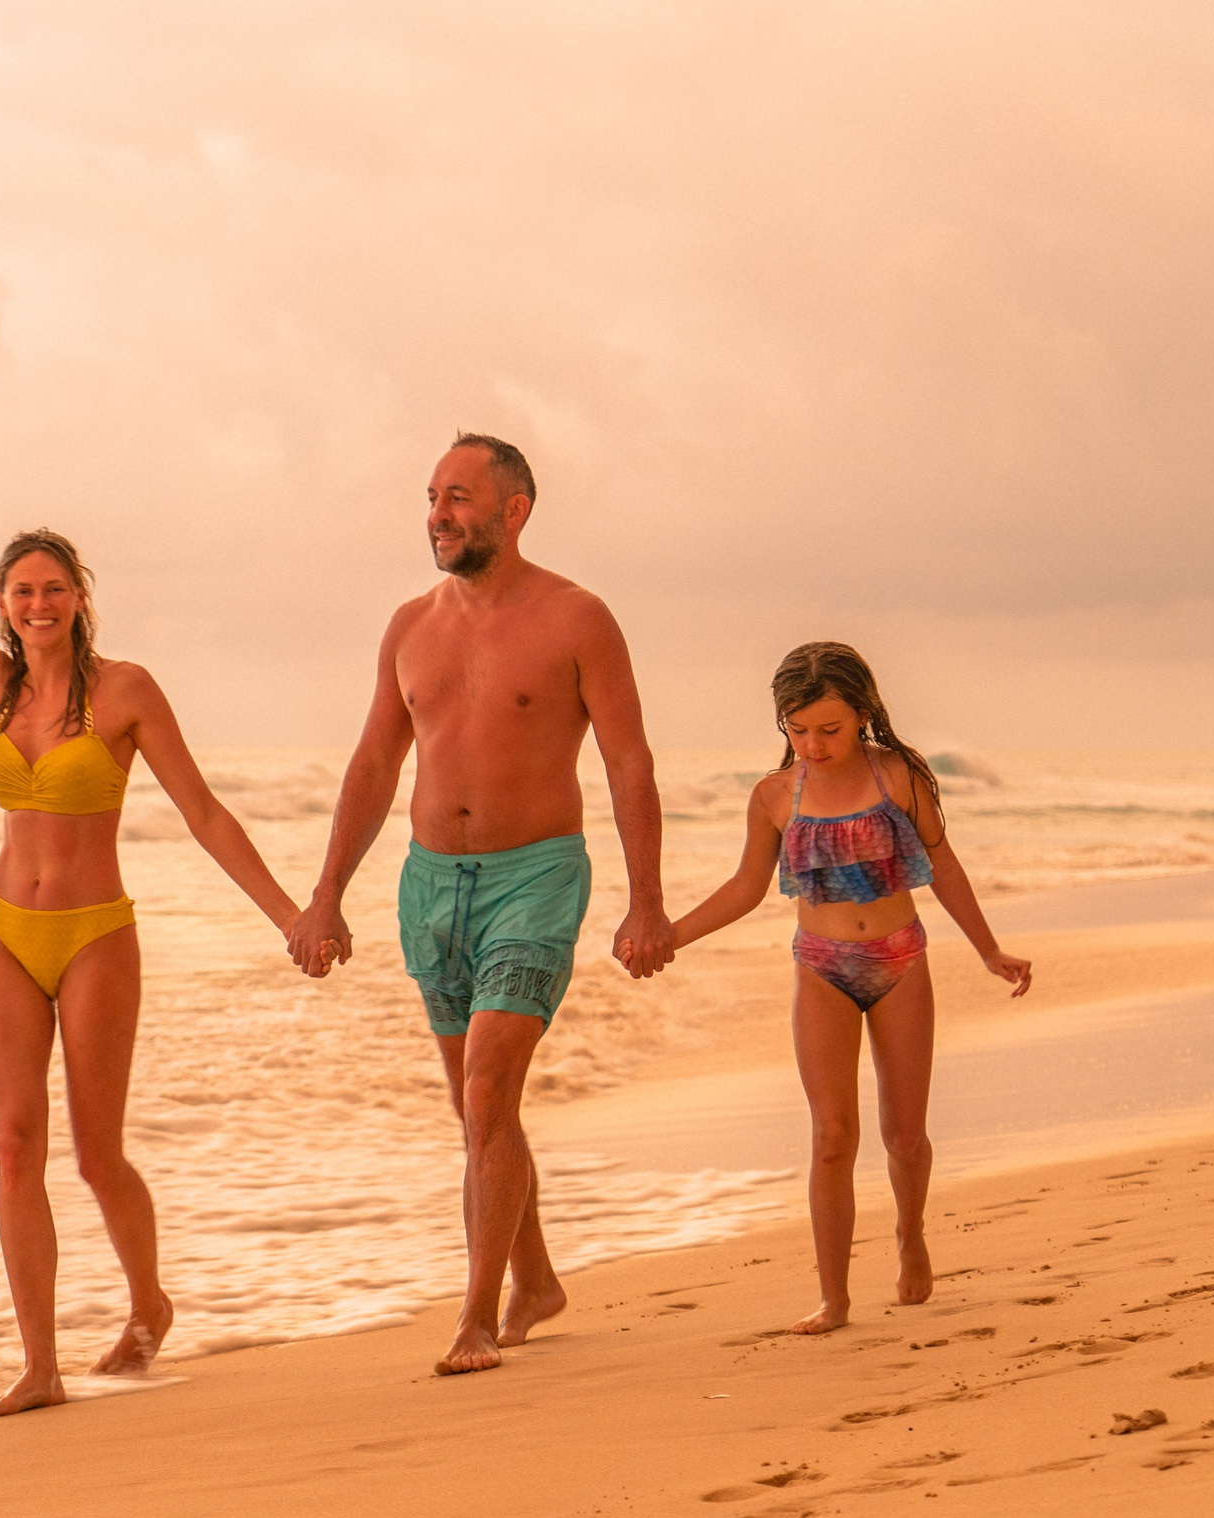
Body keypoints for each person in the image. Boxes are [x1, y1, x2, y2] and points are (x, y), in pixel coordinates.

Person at [0, 392, 311, 1419]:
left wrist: (290, 915)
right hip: (6, 933)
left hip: (95, 936)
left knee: (94, 1150)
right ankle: (40, 1365)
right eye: (22, 590)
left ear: (78, 598)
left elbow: (203, 813)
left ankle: (148, 1300)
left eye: (54, 588)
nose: (39, 603)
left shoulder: (125, 692)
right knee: (14, 1143)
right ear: (3, 604)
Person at [288, 433, 673, 1378]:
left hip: (535, 876)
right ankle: (535, 1280)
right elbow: (375, 763)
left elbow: (628, 760)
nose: (438, 515)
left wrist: (647, 901)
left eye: (457, 497)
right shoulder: (409, 627)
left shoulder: (578, 618)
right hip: (430, 883)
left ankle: (478, 1316)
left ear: (514, 509)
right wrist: (325, 894)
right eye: (431, 497)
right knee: (477, 1106)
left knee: (490, 1087)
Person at [668, 641, 1032, 1333]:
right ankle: (833, 1298)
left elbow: (944, 865)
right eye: (798, 729)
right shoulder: (774, 795)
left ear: (862, 714)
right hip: (821, 968)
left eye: (829, 729)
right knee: (833, 1137)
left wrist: (988, 949)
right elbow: (745, 887)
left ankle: (910, 1234)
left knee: (904, 1136)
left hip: (901, 962)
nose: (813, 744)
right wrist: (671, 934)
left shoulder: (899, 777)